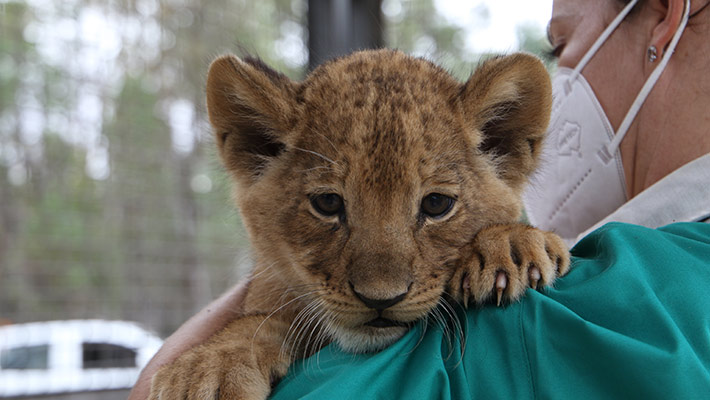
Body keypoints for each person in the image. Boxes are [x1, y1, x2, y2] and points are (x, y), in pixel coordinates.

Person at [129, 0, 710, 398]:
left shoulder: (557, 322)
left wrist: (499, 237)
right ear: (255, 149)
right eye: (328, 206)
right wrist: (252, 335)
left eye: (436, 206)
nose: (381, 282)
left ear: (666, 19)